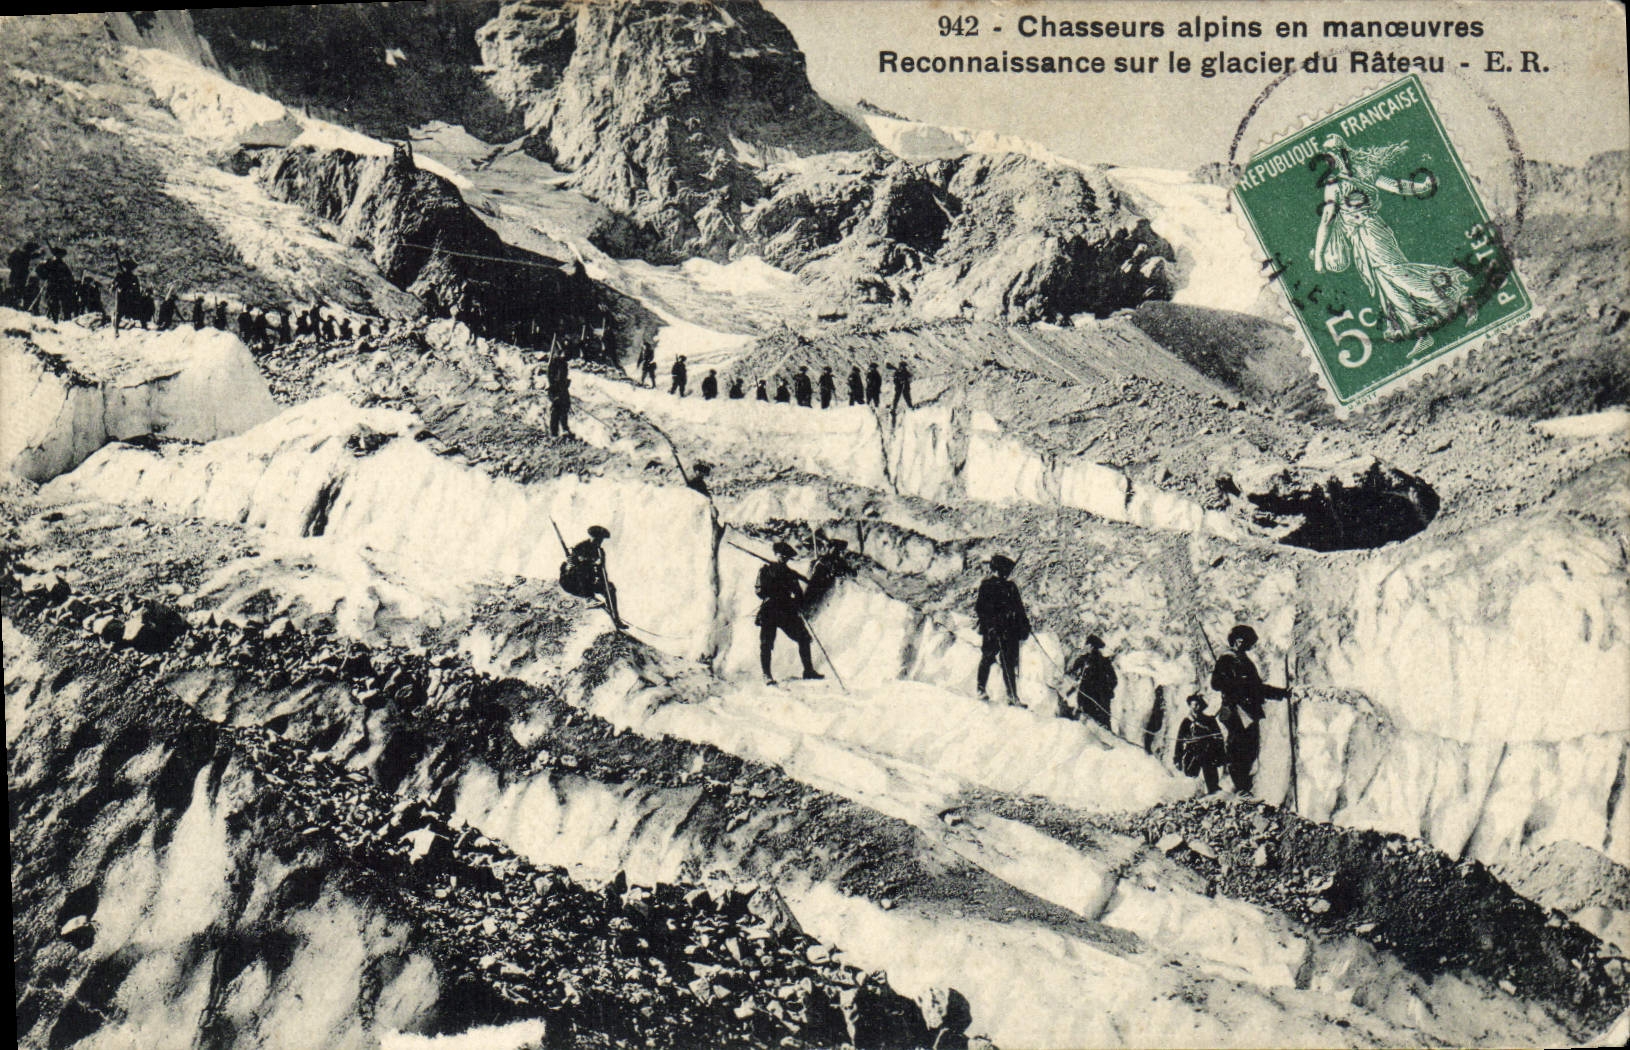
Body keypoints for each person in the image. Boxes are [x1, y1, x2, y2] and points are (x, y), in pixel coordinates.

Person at [1210, 624, 1289, 795]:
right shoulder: (1227, 659)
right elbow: (1216, 683)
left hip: (1248, 711)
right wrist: (1235, 685)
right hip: (1235, 711)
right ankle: (1240, 787)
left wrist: (1281, 693)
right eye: (1248, 642)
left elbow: (1257, 688)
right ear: (1239, 641)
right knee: (1239, 749)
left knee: (1250, 749)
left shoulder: (1244, 660)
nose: (1250, 646)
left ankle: (1244, 787)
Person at [755, 541, 822, 685]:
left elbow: (798, 594)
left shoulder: (790, 574)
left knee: (804, 638)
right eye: (780, 555)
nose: (783, 558)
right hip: (770, 610)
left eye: (785, 557)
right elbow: (759, 591)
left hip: (786, 611)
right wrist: (773, 589)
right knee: (766, 643)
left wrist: (796, 602)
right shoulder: (766, 570)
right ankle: (767, 675)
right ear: (776, 555)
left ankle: (808, 671)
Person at [974, 554, 1030, 705]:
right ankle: (981, 689)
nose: (1005, 574)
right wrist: (991, 625)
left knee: (1009, 664)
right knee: (988, 657)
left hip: (1009, 631)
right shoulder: (987, 586)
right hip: (993, 630)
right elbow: (981, 609)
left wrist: (1024, 626)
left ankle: (1012, 696)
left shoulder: (1011, 587)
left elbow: (1020, 610)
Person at [559, 525, 623, 629]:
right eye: (597, 539)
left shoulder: (600, 552)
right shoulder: (580, 547)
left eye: (601, 539)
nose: (599, 541)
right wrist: (592, 563)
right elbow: (575, 566)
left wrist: (604, 584)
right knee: (583, 569)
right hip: (572, 582)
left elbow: (602, 571)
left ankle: (615, 617)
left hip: (587, 582)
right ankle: (589, 599)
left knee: (610, 588)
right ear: (591, 537)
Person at [1174, 693, 1226, 795]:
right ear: (1190, 705)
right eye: (1194, 704)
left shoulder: (1209, 720)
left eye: (1198, 704)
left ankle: (1214, 794)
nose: (1196, 706)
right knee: (1191, 779)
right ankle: (1194, 796)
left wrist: (1221, 755)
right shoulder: (1186, 722)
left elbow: (1219, 738)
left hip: (1208, 752)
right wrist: (1177, 758)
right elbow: (1179, 741)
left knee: (1211, 777)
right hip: (1192, 752)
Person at [1066, 635, 1117, 730]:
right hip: (1101, 697)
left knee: (1089, 721)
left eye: (1087, 644)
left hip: (1088, 696)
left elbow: (1072, 674)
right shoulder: (1105, 661)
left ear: (1091, 646)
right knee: (1103, 723)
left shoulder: (1084, 660)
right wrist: (1108, 691)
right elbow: (1114, 680)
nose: (1085, 646)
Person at [35, 248, 75, 322]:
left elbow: (69, 277)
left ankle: (65, 320)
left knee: (64, 305)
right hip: (53, 286)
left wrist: (70, 285)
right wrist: (46, 276)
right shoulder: (50, 262)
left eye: (61, 255)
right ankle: (53, 320)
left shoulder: (63, 265)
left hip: (62, 288)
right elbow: (40, 271)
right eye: (59, 254)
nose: (60, 256)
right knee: (53, 304)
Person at [111, 259, 144, 337]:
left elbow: (137, 288)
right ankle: (116, 330)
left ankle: (139, 326)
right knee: (119, 312)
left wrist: (137, 296)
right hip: (122, 296)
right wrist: (116, 287)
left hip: (130, 297)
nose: (129, 270)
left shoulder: (133, 277)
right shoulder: (120, 276)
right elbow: (114, 285)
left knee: (133, 311)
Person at [547, 346, 572, 438]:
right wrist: (555, 394)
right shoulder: (554, 363)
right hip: (556, 389)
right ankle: (554, 433)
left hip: (563, 389)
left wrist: (566, 383)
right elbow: (551, 378)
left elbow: (563, 377)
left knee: (565, 407)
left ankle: (565, 428)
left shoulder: (564, 364)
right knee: (556, 410)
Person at [7, 241, 38, 306]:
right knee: (20, 289)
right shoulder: (26, 255)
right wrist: (40, 253)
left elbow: (9, 261)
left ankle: (12, 302)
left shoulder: (15, 253)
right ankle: (16, 302)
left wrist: (12, 267)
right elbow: (32, 256)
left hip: (14, 273)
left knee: (13, 288)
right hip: (22, 275)